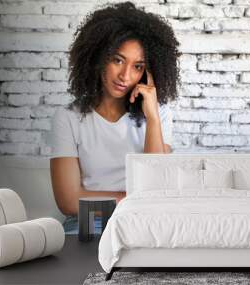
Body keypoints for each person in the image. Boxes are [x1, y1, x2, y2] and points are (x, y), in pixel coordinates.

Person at [49, 2, 180, 234]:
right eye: (117, 60)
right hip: (87, 221)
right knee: (88, 255)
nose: (125, 75)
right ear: (98, 58)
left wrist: (152, 119)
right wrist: (137, 201)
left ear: (148, 73)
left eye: (137, 66)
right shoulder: (68, 118)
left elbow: (158, 186)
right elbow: (69, 202)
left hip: (141, 221)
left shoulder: (158, 115)